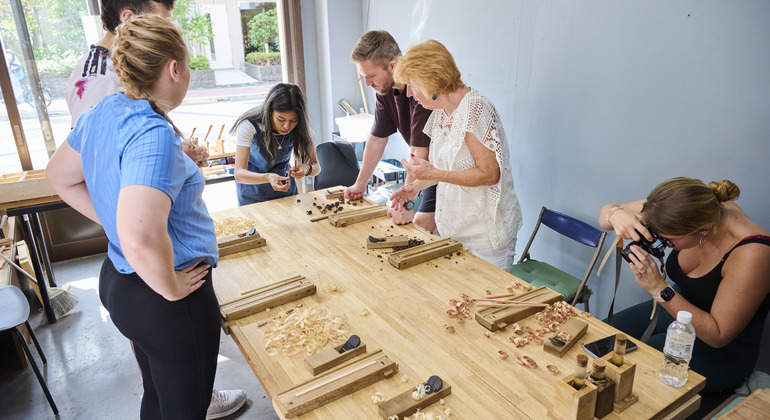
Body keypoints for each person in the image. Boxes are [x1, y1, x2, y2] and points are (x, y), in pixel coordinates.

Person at [46, 16, 232, 419]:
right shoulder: (154, 132)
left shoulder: (105, 110)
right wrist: (170, 288)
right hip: (165, 296)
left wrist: (116, 221)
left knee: (157, 397)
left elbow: (59, 176)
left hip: (120, 281)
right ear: (173, 68)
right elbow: (140, 236)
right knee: (185, 409)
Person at [599, 177, 770, 393]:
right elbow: (604, 217)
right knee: (600, 339)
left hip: (721, 350)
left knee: (632, 373)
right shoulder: (695, 205)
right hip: (675, 310)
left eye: (669, 241)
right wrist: (616, 214)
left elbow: (718, 335)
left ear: (704, 231)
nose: (661, 244)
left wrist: (657, 288)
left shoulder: (754, 254)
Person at [389, 40, 523, 271]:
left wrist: (434, 172)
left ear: (432, 79)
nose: (410, 94)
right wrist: (416, 186)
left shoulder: (475, 109)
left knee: (484, 304)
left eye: (412, 85)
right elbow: (450, 171)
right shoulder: (442, 113)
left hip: (486, 236)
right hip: (456, 230)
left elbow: (490, 175)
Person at [64, 0, 208, 166]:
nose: (166, 30)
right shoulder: (99, 78)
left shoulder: (128, 65)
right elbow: (94, 162)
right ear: (128, 18)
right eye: (161, 21)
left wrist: (177, 152)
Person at [346, 30, 437, 232]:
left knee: (422, 226)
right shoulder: (384, 91)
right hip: (425, 168)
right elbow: (377, 138)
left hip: (441, 169)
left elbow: (419, 151)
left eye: (371, 76)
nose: (368, 83)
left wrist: (405, 202)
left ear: (392, 66)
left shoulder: (420, 88)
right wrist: (360, 184)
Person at [231, 83, 320, 205]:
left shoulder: (302, 128)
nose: (287, 126)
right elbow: (239, 174)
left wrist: (306, 169)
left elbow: (317, 168)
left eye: (293, 121)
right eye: (281, 119)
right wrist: (268, 177)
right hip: (252, 195)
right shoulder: (249, 126)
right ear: (269, 111)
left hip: (287, 193)